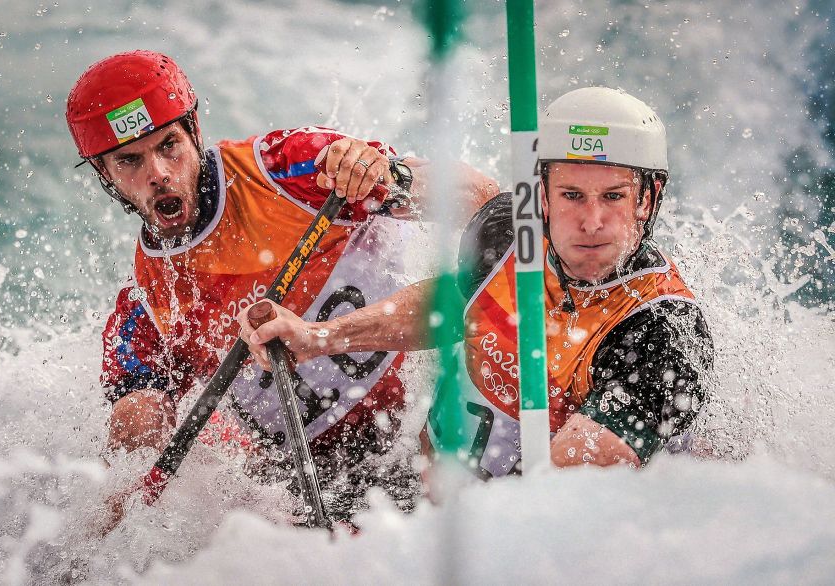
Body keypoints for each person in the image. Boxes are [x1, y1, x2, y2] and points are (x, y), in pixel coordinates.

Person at [65, 50, 498, 518]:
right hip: (304, 484)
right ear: (105, 177)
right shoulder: (149, 306)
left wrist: (390, 175)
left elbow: (485, 201)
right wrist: (126, 479)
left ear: (194, 133)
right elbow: (133, 439)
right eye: (129, 161)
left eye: (169, 145)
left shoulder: (289, 169)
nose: (158, 174)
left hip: (423, 430)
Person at [422, 86, 714, 476]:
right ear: (542, 195)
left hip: (537, 524)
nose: (591, 222)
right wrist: (327, 336)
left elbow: (559, 483)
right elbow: (453, 297)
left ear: (646, 199)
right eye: (572, 195)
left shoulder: (664, 334)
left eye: (613, 196)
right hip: (422, 498)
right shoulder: (507, 233)